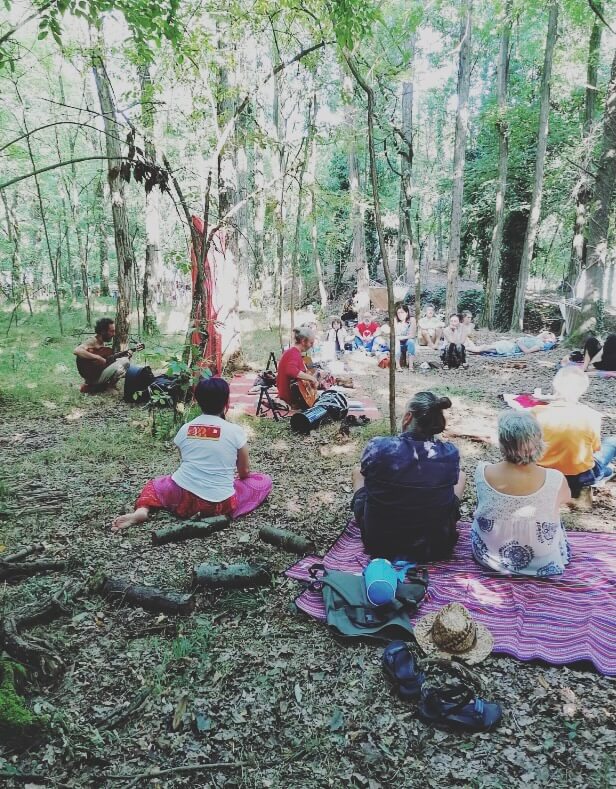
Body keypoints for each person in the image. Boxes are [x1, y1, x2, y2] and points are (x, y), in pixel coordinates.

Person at [111, 378, 272, 532]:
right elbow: (244, 472)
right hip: (219, 504)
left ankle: (142, 510)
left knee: (155, 484)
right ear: (226, 402)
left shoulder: (186, 428)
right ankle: (223, 511)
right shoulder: (235, 431)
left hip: (182, 497)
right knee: (264, 481)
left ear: (197, 400)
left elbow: (185, 459)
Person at [351, 392, 466, 561]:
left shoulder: (378, 447)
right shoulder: (449, 453)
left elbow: (368, 473)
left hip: (380, 543)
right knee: (460, 476)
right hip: (436, 546)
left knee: (357, 473)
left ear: (407, 417)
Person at [471, 411, 571, 577]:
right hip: (542, 561)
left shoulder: (483, 472)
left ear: (502, 443)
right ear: (538, 441)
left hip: (490, 557)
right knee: (553, 515)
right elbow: (566, 499)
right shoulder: (555, 478)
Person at [530, 366, 616, 497]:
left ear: (554, 385)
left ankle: (606, 471)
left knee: (605, 467)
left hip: (543, 474)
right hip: (580, 477)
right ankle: (604, 473)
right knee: (612, 442)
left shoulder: (536, 412)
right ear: (583, 390)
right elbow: (595, 449)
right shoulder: (591, 415)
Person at [73, 317, 131, 390]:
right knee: (125, 361)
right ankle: (110, 388)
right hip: (93, 378)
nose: (114, 334)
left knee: (123, 360)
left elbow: (106, 361)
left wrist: (125, 354)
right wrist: (98, 357)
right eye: (111, 331)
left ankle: (101, 386)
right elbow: (77, 350)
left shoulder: (101, 342)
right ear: (103, 331)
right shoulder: (92, 340)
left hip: (98, 374)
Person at [276, 325, 318, 408]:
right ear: (303, 341)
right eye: (311, 343)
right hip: (289, 396)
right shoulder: (293, 353)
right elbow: (291, 370)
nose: (311, 346)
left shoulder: (294, 352)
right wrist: (312, 379)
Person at [469, 330, 557, 355]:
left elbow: (527, 351)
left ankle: (464, 348)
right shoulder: (536, 339)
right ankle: (464, 347)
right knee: (485, 347)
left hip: (511, 347)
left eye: (549, 334)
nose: (547, 333)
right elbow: (540, 335)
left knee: (485, 347)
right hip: (509, 343)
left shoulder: (540, 345)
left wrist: (519, 342)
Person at [393, 304, 417, 371]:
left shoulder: (412, 320)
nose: (400, 314)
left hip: (407, 341)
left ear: (407, 313)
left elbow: (412, 335)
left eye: (402, 312)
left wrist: (401, 337)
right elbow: (394, 335)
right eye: (398, 313)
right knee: (396, 341)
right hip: (397, 342)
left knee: (411, 341)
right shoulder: (395, 320)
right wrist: (398, 338)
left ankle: (411, 366)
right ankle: (398, 366)